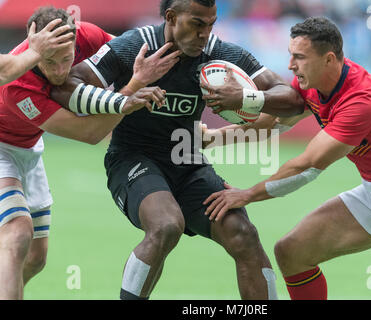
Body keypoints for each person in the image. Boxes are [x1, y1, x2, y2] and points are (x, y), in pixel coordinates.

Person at [51, 0, 303, 300]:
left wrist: (246, 97)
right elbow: (66, 86)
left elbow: (290, 98)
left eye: (211, 24)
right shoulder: (135, 46)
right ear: (171, 17)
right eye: (197, 24)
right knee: (166, 224)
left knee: (243, 234)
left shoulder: (219, 52)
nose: (205, 33)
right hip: (132, 159)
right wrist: (126, 95)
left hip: (188, 162)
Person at [204, 16, 371, 300]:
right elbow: (272, 124)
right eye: (290, 55)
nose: (290, 65)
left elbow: (307, 165)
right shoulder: (310, 83)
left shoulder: (362, 100)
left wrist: (246, 194)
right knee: (292, 252)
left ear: (329, 59)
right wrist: (215, 137)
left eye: (299, 57)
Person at [0, 6, 176, 300]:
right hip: (2, 148)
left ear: (75, 42)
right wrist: (132, 91)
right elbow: (89, 133)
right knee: (17, 233)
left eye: (66, 60)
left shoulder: (86, 35)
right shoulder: (18, 87)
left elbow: (129, 53)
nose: (58, 72)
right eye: (49, 62)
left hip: (29, 149)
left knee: (35, 259)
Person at [0, 19, 75, 86]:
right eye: (49, 61)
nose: (60, 72)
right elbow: (3, 72)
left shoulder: (79, 30)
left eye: (66, 59)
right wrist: (35, 52)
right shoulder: (15, 86)